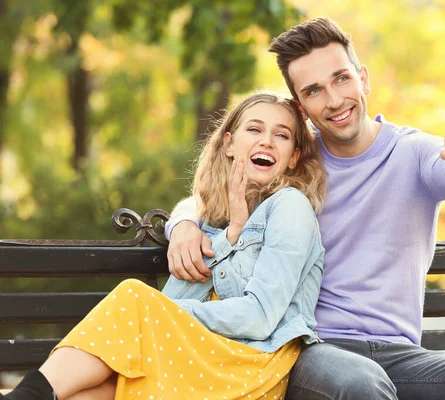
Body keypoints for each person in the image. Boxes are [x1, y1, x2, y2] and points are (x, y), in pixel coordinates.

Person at [165, 18, 445, 399]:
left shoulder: (412, 151)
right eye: (314, 91)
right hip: (313, 349)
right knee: (360, 384)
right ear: (301, 106)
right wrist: (182, 224)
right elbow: (212, 195)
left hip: (402, 355)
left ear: (363, 78)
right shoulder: (296, 160)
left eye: (341, 79)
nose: (333, 100)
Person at [2, 91, 327, 400]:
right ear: (229, 144)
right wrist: (220, 227)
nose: (266, 140)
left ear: (294, 157)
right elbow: (190, 209)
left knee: (134, 296)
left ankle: (28, 392)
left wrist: (158, 314)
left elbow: (259, 316)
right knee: (95, 385)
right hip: (194, 357)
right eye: (254, 128)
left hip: (250, 367)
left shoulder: (290, 207)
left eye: (281, 135)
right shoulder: (212, 216)